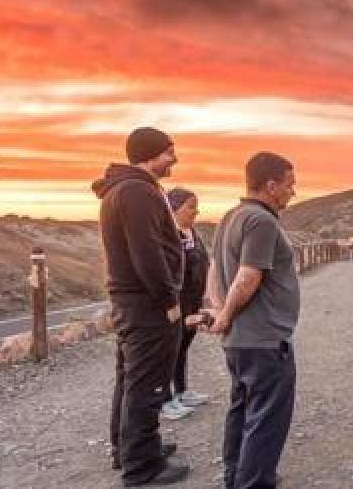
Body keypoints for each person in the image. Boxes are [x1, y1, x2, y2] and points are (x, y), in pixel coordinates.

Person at [93, 127, 189, 486]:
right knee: (147, 383)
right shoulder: (137, 191)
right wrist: (169, 301)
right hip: (147, 305)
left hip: (132, 302)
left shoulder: (125, 190)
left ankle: (130, 448)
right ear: (151, 154)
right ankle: (142, 468)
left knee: (132, 378)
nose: (174, 159)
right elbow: (146, 253)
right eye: (169, 152)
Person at [207, 152, 300, 489]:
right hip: (264, 340)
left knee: (242, 412)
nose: (293, 191)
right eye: (290, 184)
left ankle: (236, 478)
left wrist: (220, 312)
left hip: (241, 341)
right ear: (271, 185)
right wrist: (225, 315)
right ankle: (254, 483)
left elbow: (215, 271)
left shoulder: (230, 217)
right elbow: (247, 277)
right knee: (266, 422)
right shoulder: (261, 221)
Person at [161, 186, 211, 420]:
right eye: (190, 207)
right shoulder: (170, 237)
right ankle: (165, 399)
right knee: (169, 351)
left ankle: (181, 390)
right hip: (176, 304)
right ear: (173, 209)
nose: (195, 211)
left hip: (192, 303)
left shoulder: (193, 235)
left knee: (183, 348)